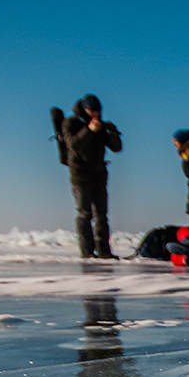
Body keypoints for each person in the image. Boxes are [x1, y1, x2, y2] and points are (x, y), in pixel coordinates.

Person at [61, 94, 122, 259]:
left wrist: (110, 131)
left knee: (102, 216)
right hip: (80, 176)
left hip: (99, 176)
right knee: (85, 214)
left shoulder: (102, 125)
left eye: (98, 111)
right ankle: (87, 251)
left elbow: (117, 147)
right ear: (85, 109)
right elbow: (73, 144)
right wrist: (89, 130)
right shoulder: (71, 123)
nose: (96, 114)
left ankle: (104, 251)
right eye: (93, 111)